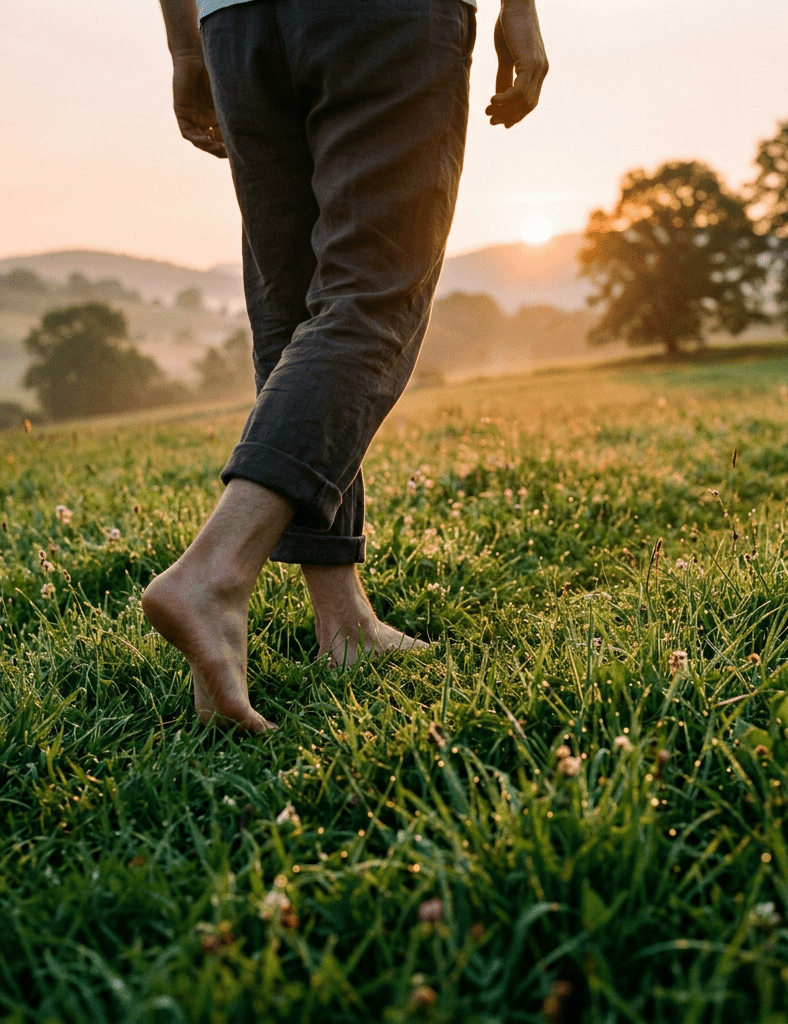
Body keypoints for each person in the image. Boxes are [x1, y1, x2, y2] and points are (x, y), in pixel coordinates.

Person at [143, 0, 547, 733]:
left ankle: (344, 623)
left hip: (235, 24)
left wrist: (187, 49)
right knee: (371, 299)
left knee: (294, 312)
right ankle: (214, 573)